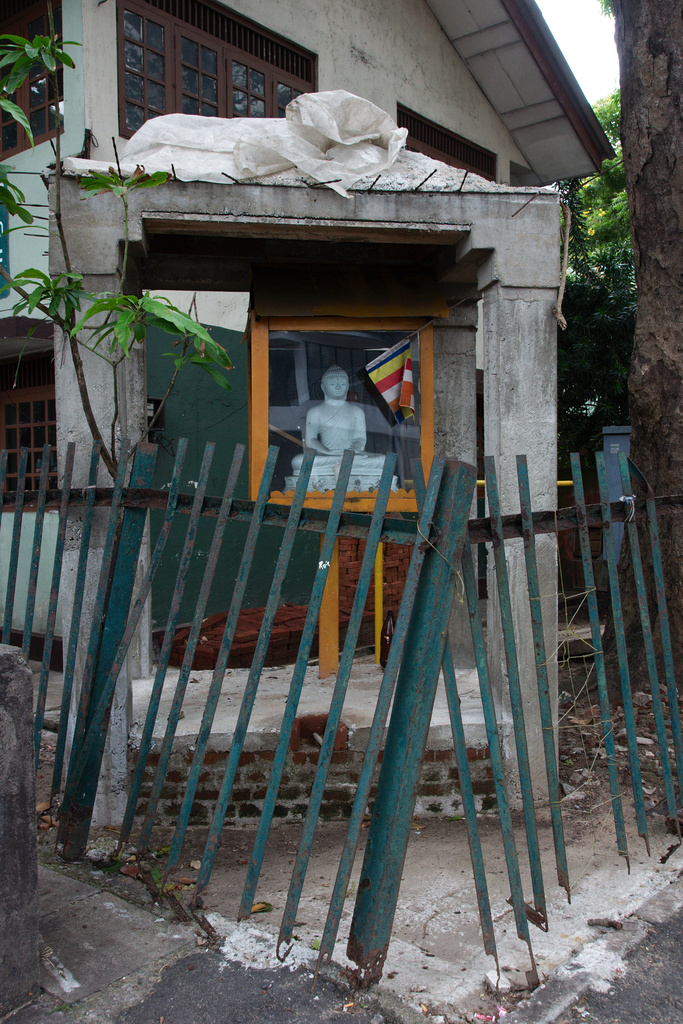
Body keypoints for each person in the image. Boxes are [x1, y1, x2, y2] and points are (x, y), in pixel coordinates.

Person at [286, 365, 394, 492]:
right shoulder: (315, 412)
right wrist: (329, 452)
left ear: (348, 387)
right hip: (327, 455)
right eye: (332, 384)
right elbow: (311, 440)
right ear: (323, 387)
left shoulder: (357, 411)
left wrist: (351, 451)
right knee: (298, 461)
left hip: (352, 456)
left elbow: (360, 439)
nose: (338, 387)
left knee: (383, 461)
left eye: (342, 384)